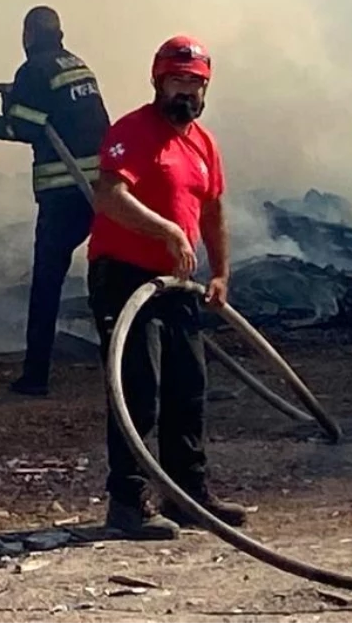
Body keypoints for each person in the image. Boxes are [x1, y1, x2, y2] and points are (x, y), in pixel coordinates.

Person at [86, 35, 249, 540]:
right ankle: (128, 503)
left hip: (178, 284)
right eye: (178, 82)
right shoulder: (132, 132)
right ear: (158, 81)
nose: (187, 93)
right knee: (138, 388)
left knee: (188, 388)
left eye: (196, 84)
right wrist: (169, 231)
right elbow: (109, 195)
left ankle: (188, 497)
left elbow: (214, 209)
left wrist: (220, 271)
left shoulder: (203, 143)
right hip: (125, 276)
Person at [0, 6, 110, 397]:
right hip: (103, 190)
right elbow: (52, 113)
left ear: (27, 34)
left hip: (63, 193)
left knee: (46, 283)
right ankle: (120, 362)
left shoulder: (34, 71)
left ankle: (35, 376)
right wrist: (7, 95)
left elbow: (22, 127)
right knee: (109, 277)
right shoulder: (76, 65)